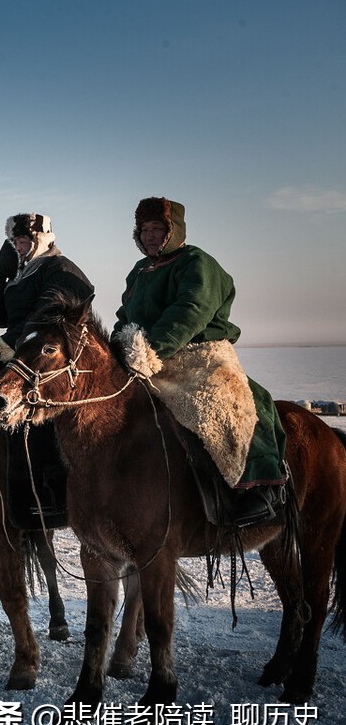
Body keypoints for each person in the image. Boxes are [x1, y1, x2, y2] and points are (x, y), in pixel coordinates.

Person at [112, 197, 287, 526]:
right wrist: (115, 350)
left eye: (157, 228)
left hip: (199, 353)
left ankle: (258, 486)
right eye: (144, 230)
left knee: (224, 403)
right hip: (144, 357)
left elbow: (191, 310)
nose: (149, 235)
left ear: (173, 230)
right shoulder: (139, 271)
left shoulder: (197, 262)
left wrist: (151, 349)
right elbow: (125, 315)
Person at [0, 214, 94, 530]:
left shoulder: (60, 269)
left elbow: (46, 321)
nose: (19, 247)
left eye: (25, 240)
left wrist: (1, 350)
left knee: (35, 415)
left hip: (46, 356)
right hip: (22, 349)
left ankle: (50, 500)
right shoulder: (23, 272)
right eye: (15, 242)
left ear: (42, 239)